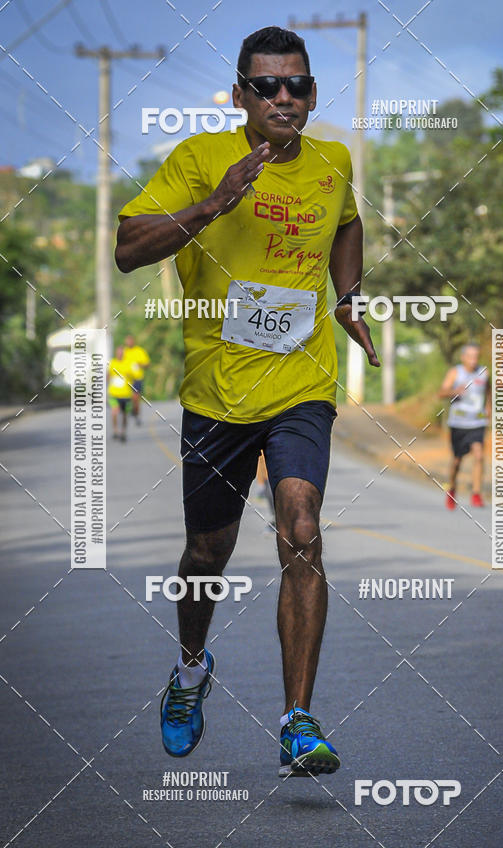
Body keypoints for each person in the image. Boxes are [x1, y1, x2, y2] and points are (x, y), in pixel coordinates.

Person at [115, 26, 379, 776]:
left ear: (313, 94)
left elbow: (349, 222)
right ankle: (191, 666)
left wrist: (348, 297)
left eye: (297, 85)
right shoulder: (199, 158)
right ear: (240, 96)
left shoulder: (333, 161)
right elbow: (129, 246)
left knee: (301, 526)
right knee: (208, 552)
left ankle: (298, 719)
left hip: (301, 384)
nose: (284, 98)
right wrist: (213, 203)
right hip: (218, 393)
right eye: (267, 86)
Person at [439, 343, 489, 509]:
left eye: (476, 356)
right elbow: (441, 392)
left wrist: (488, 406)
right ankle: (452, 489)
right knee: (457, 460)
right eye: (470, 356)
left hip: (477, 421)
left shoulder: (483, 372)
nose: (473, 360)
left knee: (479, 455)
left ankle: (476, 493)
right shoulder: (455, 372)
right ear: (463, 357)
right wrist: (454, 391)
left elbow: (488, 390)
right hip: (459, 422)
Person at [107, 345, 133, 442]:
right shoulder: (112, 363)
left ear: (123, 354)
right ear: (116, 353)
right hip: (114, 393)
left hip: (126, 394)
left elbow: (134, 375)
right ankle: (115, 431)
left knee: (125, 415)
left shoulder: (129, 363)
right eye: (118, 353)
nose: (120, 354)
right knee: (115, 411)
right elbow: (108, 375)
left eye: (121, 353)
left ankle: (123, 431)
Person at [123, 335, 150, 423]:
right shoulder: (124, 352)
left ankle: (136, 413)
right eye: (127, 341)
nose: (129, 343)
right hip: (126, 379)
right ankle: (129, 412)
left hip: (137, 378)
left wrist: (140, 365)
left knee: (135, 397)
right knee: (127, 397)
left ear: (133, 341)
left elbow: (147, 364)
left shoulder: (139, 351)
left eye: (130, 341)